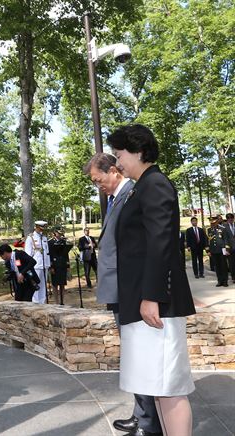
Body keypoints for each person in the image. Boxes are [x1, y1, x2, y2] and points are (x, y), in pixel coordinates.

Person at [110, 124, 195, 436]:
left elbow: (161, 243)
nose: (117, 162)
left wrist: (151, 296)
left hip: (157, 305)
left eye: (120, 154)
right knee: (156, 384)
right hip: (144, 301)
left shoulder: (155, 183)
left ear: (139, 151)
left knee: (169, 385)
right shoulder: (141, 185)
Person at [84, 152, 162, 436]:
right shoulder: (119, 197)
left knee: (140, 356)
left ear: (114, 170)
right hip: (120, 291)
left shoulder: (131, 194)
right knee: (134, 357)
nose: (98, 185)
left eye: (98, 179)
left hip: (129, 290)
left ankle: (150, 424)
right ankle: (141, 415)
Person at [23, 220, 50, 303]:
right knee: (36, 285)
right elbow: (28, 254)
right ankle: (35, 302)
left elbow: (47, 252)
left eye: (43, 228)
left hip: (44, 265)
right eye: (41, 228)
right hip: (36, 265)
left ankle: (42, 302)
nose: (42, 230)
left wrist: (48, 264)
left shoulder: (44, 238)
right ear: (37, 227)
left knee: (43, 285)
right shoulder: (31, 238)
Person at [48, 228, 71, 305]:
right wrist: (51, 267)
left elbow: (66, 254)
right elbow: (49, 255)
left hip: (62, 264)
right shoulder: (50, 242)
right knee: (55, 284)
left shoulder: (63, 241)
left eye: (61, 233)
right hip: (55, 265)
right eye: (59, 233)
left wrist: (68, 265)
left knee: (62, 283)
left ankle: (62, 301)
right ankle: (56, 301)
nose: (60, 235)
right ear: (54, 233)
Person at [207, 216, 230, 287]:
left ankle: (225, 281)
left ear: (217, 222)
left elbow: (226, 240)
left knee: (223, 266)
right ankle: (219, 280)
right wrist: (208, 251)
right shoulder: (209, 230)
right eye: (211, 223)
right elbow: (208, 241)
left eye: (213, 223)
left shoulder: (222, 229)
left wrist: (227, 249)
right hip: (213, 251)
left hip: (221, 250)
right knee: (217, 267)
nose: (212, 224)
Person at [224, 213, 235, 282]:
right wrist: (227, 250)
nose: (231, 220)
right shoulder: (225, 227)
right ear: (227, 219)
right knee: (232, 263)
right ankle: (234, 277)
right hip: (230, 248)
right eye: (229, 219)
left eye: (232, 218)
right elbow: (225, 239)